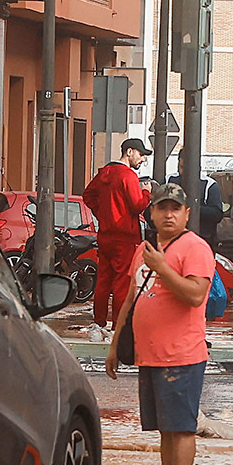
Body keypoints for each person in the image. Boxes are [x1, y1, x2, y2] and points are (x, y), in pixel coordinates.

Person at [103, 184, 216, 465]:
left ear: (186, 214)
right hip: (149, 354)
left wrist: (164, 267)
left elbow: (196, 295)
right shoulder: (145, 249)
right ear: (151, 213)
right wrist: (115, 343)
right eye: (162, 208)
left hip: (181, 354)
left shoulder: (195, 248)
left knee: (181, 428)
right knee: (165, 429)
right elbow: (130, 298)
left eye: (175, 209)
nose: (169, 214)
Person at [82, 138, 151, 339]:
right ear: (129, 152)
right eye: (140, 154)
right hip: (125, 237)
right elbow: (138, 205)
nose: (142, 159)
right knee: (122, 282)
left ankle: (99, 323)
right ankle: (117, 327)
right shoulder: (127, 176)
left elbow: (88, 196)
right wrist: (146, 193)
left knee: (103, 280)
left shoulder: (105, 173)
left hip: (105, 234)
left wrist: (102, 213)